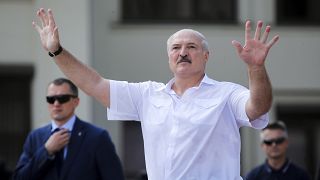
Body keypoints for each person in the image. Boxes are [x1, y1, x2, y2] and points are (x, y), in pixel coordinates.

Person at [32, 8, 279, 180]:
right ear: (169, 57)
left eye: (191, 47)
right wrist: (56, 51)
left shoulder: (226, 94)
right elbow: (94, 84)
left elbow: (258, 107)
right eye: (176, 48)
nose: (183, 52)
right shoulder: (147, 95)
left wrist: (256, 68)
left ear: (205, 56)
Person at [13, 78, 124, 180]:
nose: (56, 103)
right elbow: (19, 177)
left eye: (62, 98)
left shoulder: (97, 137)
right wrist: (46, 151)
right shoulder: (35, 137)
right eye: (51, 99)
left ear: (76, 102)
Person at [245, 121, 310, 180]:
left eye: (279, 141)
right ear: (262, 146)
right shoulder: (252, 177)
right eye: (269, 141)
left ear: (286, 143)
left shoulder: (301, 176)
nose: (274, 145)